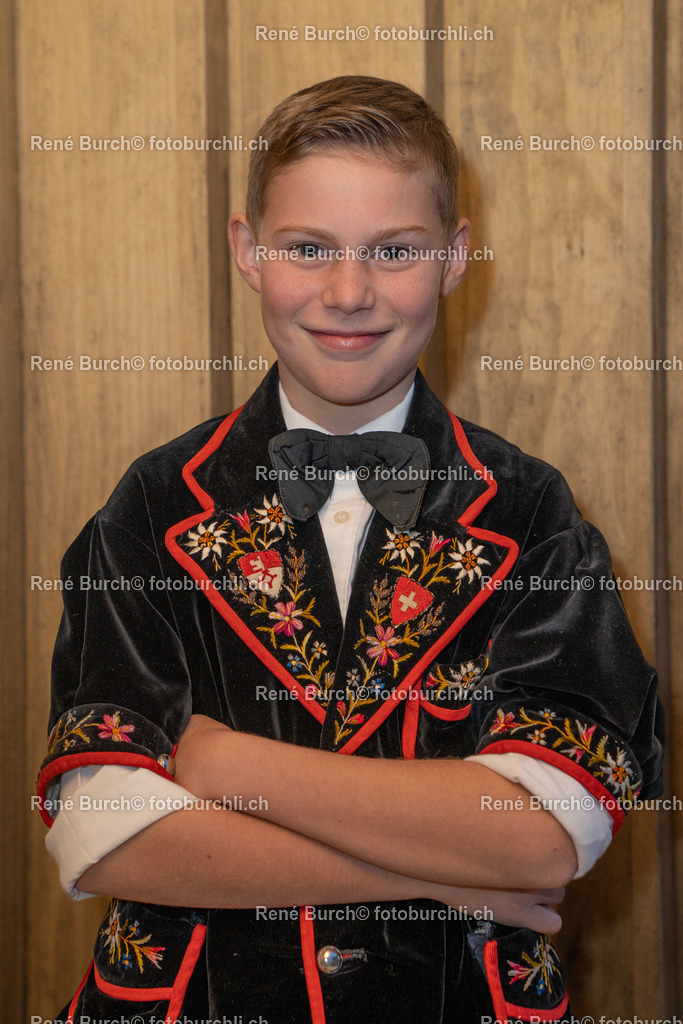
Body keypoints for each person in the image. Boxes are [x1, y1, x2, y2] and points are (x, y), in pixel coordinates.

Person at [38, 75, 663, 1024]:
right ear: (248, 251)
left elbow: (540, 838)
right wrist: (452, 879)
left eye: (394, 250)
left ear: (454, 258)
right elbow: (105, 835)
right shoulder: (152, 508)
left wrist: (226, 768)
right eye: (308, 248)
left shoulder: (533, 515)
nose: (348, 292)